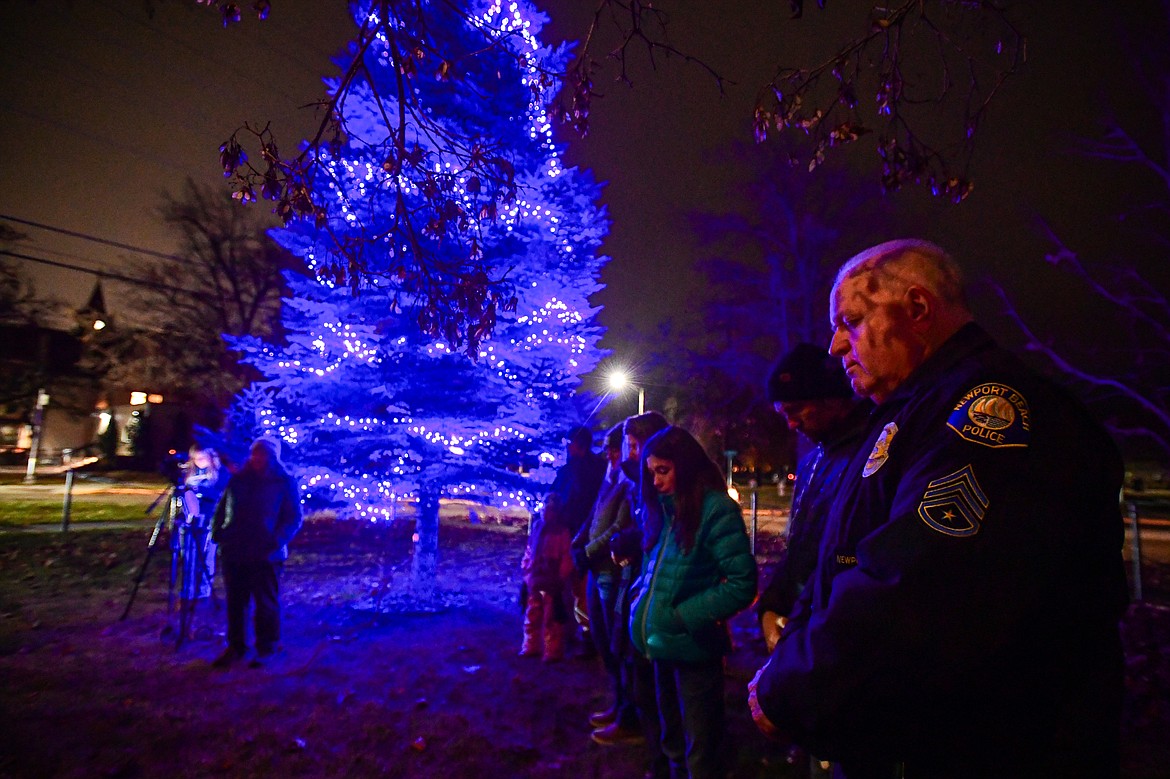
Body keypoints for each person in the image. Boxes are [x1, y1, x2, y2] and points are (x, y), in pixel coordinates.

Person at [748, 239, 1129, 777]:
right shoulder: (911, 411)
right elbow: (844, 555)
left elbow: (919, 582)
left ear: (917, 309)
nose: (835, 346)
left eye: (850, 321)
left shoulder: (990, 408)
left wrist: (791, 684)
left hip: (994, 745)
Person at [631, 426, 758, 779]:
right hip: (660, 647)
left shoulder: (715, 511)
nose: (655, 481)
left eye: (663, 471)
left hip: (695, 650)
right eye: (651, 472)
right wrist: (640, 603)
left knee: (700, 750)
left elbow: (742, 583)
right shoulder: (664, 511)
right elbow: (656, 571)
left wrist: (681, 617)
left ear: (684, 467)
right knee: (672, 741)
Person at [757, 344, 869, 653]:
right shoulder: (812, 462)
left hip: (841, 634)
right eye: (783, 415)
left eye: (795, 411)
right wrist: (772, 605)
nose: (791, 425)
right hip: (804, 626)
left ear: (830, 399)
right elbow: (800, 549)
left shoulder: (871, 456)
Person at [598, 411, 669, 775]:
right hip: (638, 593)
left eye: (636, 446)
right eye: (630, 445)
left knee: (658, 694)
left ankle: (663, 762)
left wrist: (626, 541)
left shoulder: (664, 486)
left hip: (657, 603)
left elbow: (658, 537)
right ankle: (655, 755)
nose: (630, 453)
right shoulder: (636, 480)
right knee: (636, 676)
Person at [573, 423, 642, 743]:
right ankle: (618, 703)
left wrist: (588, 551)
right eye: (611, 449)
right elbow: (594, 514)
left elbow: (618, 524)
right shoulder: (609, 476)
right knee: (601, 638)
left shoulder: (629, 482)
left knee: (617, 642)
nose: (613, 454)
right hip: (594, 567)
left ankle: (629, 713)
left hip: (611, 571)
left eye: (618, 448)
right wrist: (578, 543)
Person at [210, 437, 303, 669]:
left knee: (265, 603)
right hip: (235, 551)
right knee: (236, 602)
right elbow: (222, 508)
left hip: (266, 554)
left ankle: (267, 647)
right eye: (255, 454)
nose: (258, 458)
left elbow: (293, 517)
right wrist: (219, 532)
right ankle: (236, 647)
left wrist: (276, 541)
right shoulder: (239, 480)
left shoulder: (283, 482)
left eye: (263, 454)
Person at [550, 425, 606, 651]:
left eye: (569, 443)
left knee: (577, 587)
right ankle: (583, 632)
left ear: (578, 445)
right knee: (582, 589)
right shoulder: (600, 469)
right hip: (588, 535)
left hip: (575, 536)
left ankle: (579, 633)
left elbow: (560, 500)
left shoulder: (573, 472)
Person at [175, 446, 229, 633]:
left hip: (209, 521)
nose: (199, 462)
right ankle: (188, 592)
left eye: (203, 458)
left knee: (206, 557)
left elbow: (223, 498)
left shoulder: (221, 475)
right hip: (190, 521)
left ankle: (204, 592)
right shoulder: (188, 473)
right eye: (196, 458)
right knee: (189, 557)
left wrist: (205, 492)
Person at [519, 493, 576, 662]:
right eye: (545, 507)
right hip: (535, 577)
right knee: (532, 613)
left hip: (553, 579)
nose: (547, 511)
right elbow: (529, 551)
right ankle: (530, 645)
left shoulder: (562, 532)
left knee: (552, 617)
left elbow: (567, 555)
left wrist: (561, 576)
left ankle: (553, 651)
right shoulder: (537, 528)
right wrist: (527, 572)